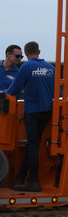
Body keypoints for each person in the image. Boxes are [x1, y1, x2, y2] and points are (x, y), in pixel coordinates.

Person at [4, 41, 55, 192]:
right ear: (39, 51)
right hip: (46, 111)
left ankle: (33, 180)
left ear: (26, 53)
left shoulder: (26, 67)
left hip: (32, 111)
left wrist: (2, 93)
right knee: (32, 144)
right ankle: (20, 178)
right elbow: (57, 93)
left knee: (32, 145)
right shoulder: (50, 68)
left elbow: (13, 90)